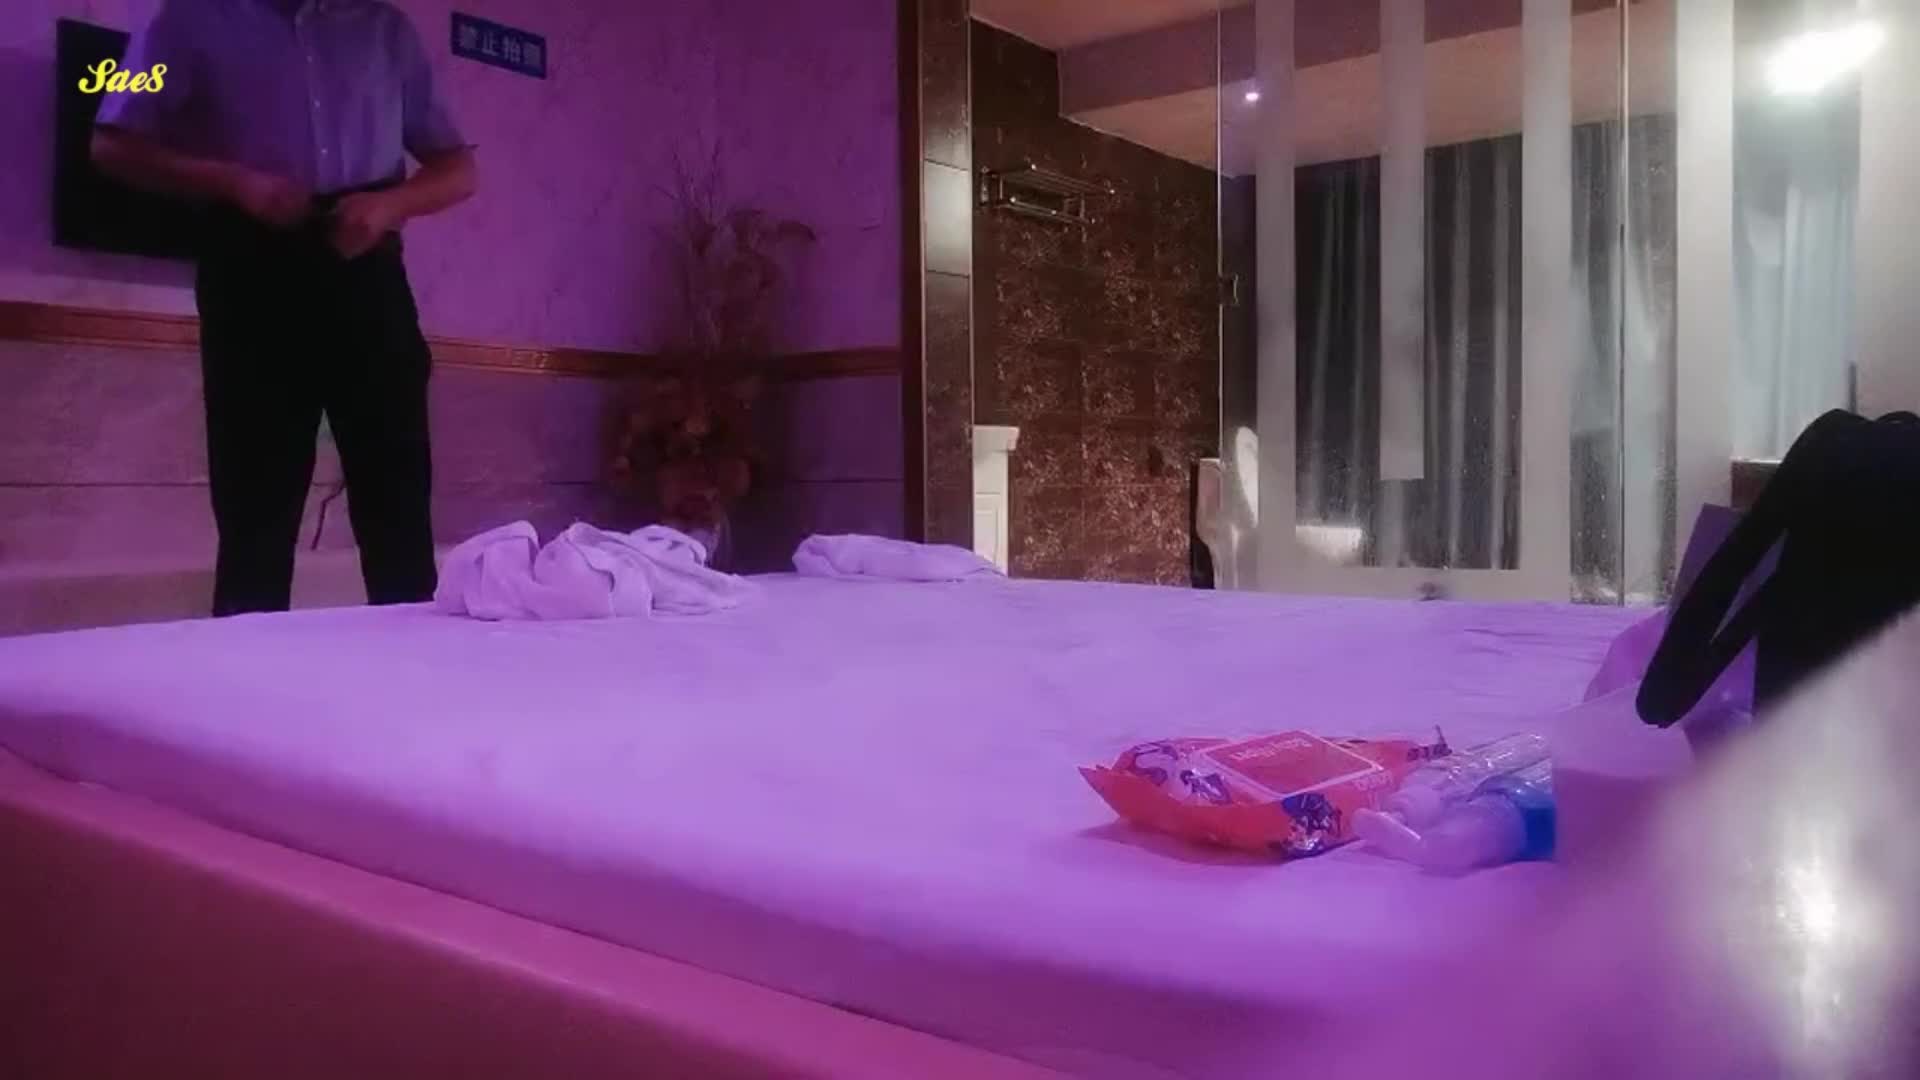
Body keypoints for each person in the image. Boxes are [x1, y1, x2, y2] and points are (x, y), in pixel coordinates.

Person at [92, 0, 478, 615]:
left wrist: (389, 206)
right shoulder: (185, 20)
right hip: (252, 271)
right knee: (255, 517)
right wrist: (234, 183)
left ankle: (415, 667)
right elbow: (111, 144)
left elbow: (458, 168)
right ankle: (242, 671)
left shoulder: (384, 29)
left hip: (366, 271)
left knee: (399, 506)